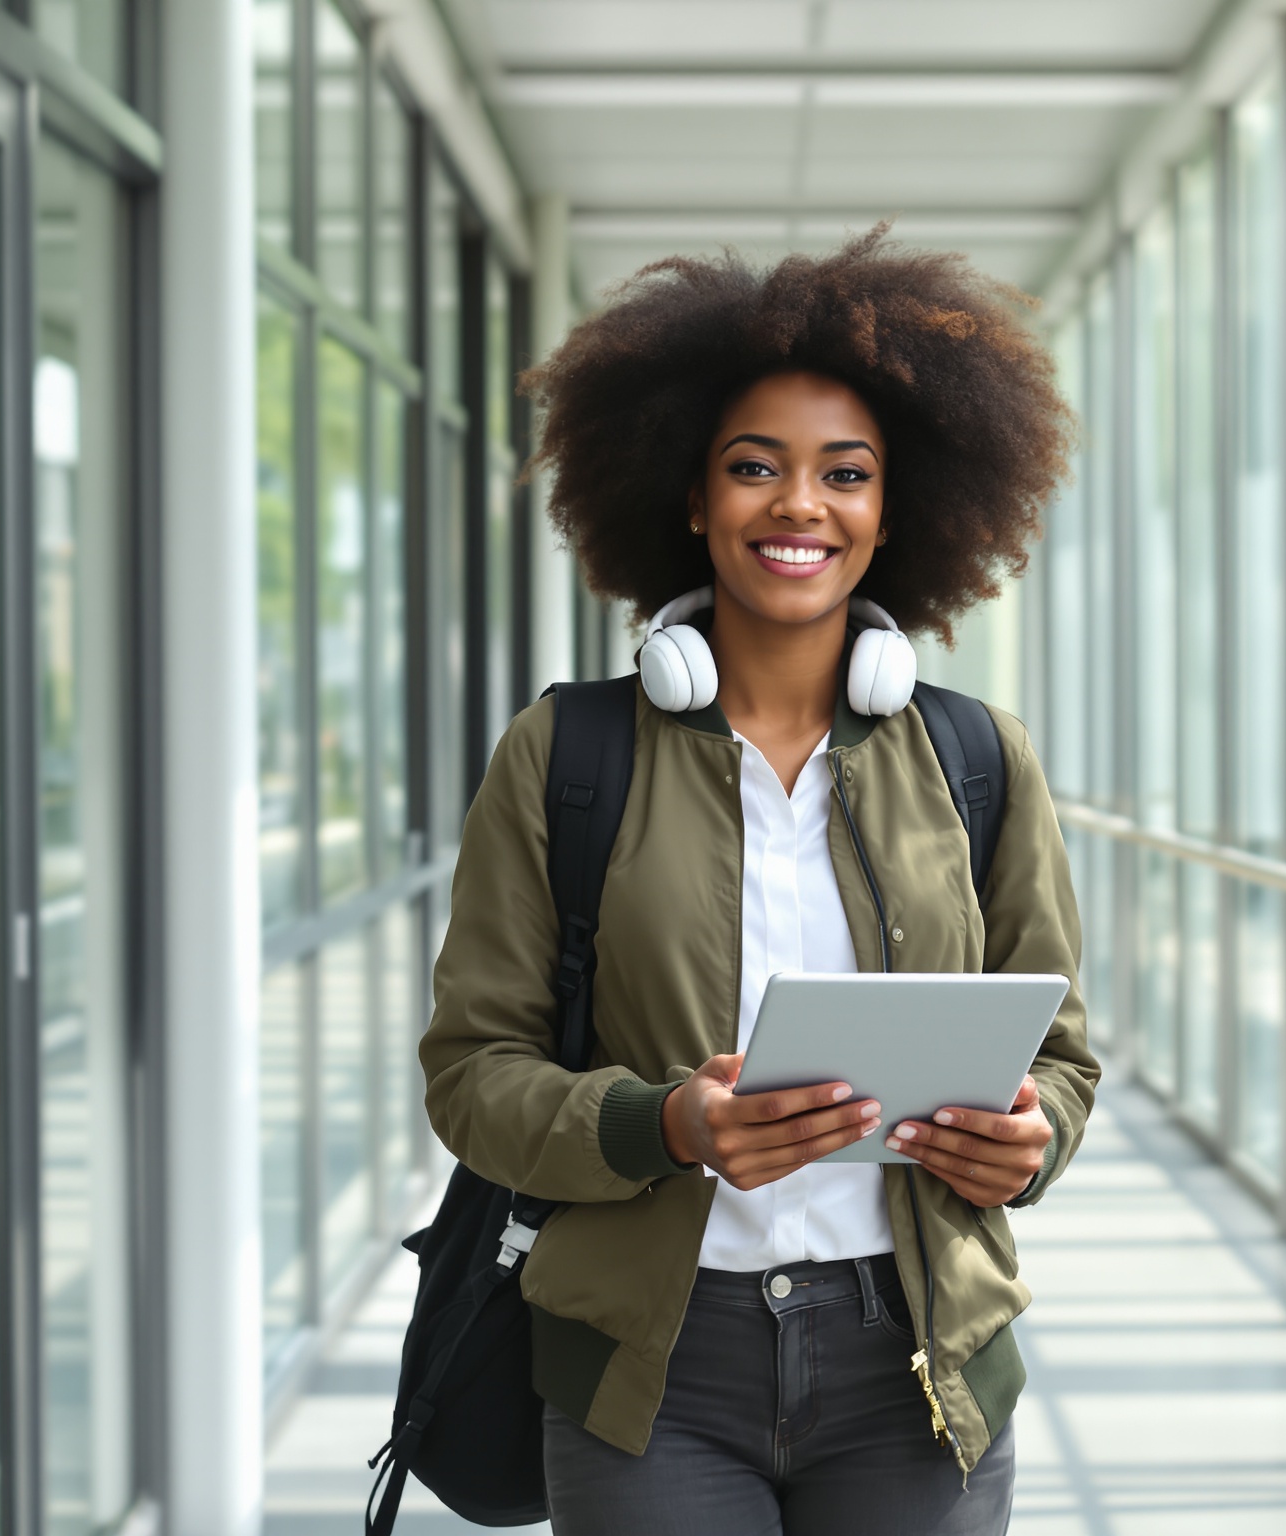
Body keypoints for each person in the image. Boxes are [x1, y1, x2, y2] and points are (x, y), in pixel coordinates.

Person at [419, 229, 1098, 1536]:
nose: (802, 506)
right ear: (690, 495)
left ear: (892, 511)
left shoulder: (976, 759)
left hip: (919, 1367)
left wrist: (1031, 1141)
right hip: (650, 1378)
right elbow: (470, 1075)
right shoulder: (567, 756)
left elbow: (1063, 1057)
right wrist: (661, 1126)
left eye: (846, 474)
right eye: (754, 468)